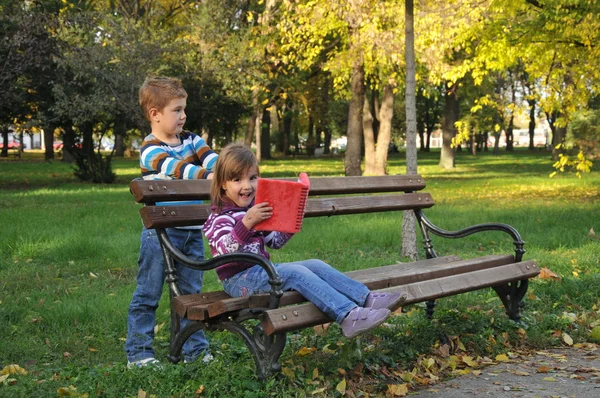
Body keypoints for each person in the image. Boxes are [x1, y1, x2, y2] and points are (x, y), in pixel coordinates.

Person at [202, 144, 406, 339]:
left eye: (252, 178)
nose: (247, 186)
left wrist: (293, 216)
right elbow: (222, 250)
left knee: (314, 265)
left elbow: (275, 242)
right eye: (237, 180)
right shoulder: (221, 217)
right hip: (239, 281)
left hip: (263, 271)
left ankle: (366, 298)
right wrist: (247, 223)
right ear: (222, 184)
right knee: (295, 273)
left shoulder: (254, 211)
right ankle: (349, 316)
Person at [125, 76, 218, 368]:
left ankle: (193, 350)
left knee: (192, 295)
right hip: (160, 232)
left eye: (183, 109)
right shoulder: (150, 149)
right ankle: (139, 353)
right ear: (155, 114)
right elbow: (180, 170)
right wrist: (210, 178)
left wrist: (224, 170)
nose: (183, 115)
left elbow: (212, 159)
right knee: (148, 291)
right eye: (177, 110)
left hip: (192, 230)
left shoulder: (192, 140)